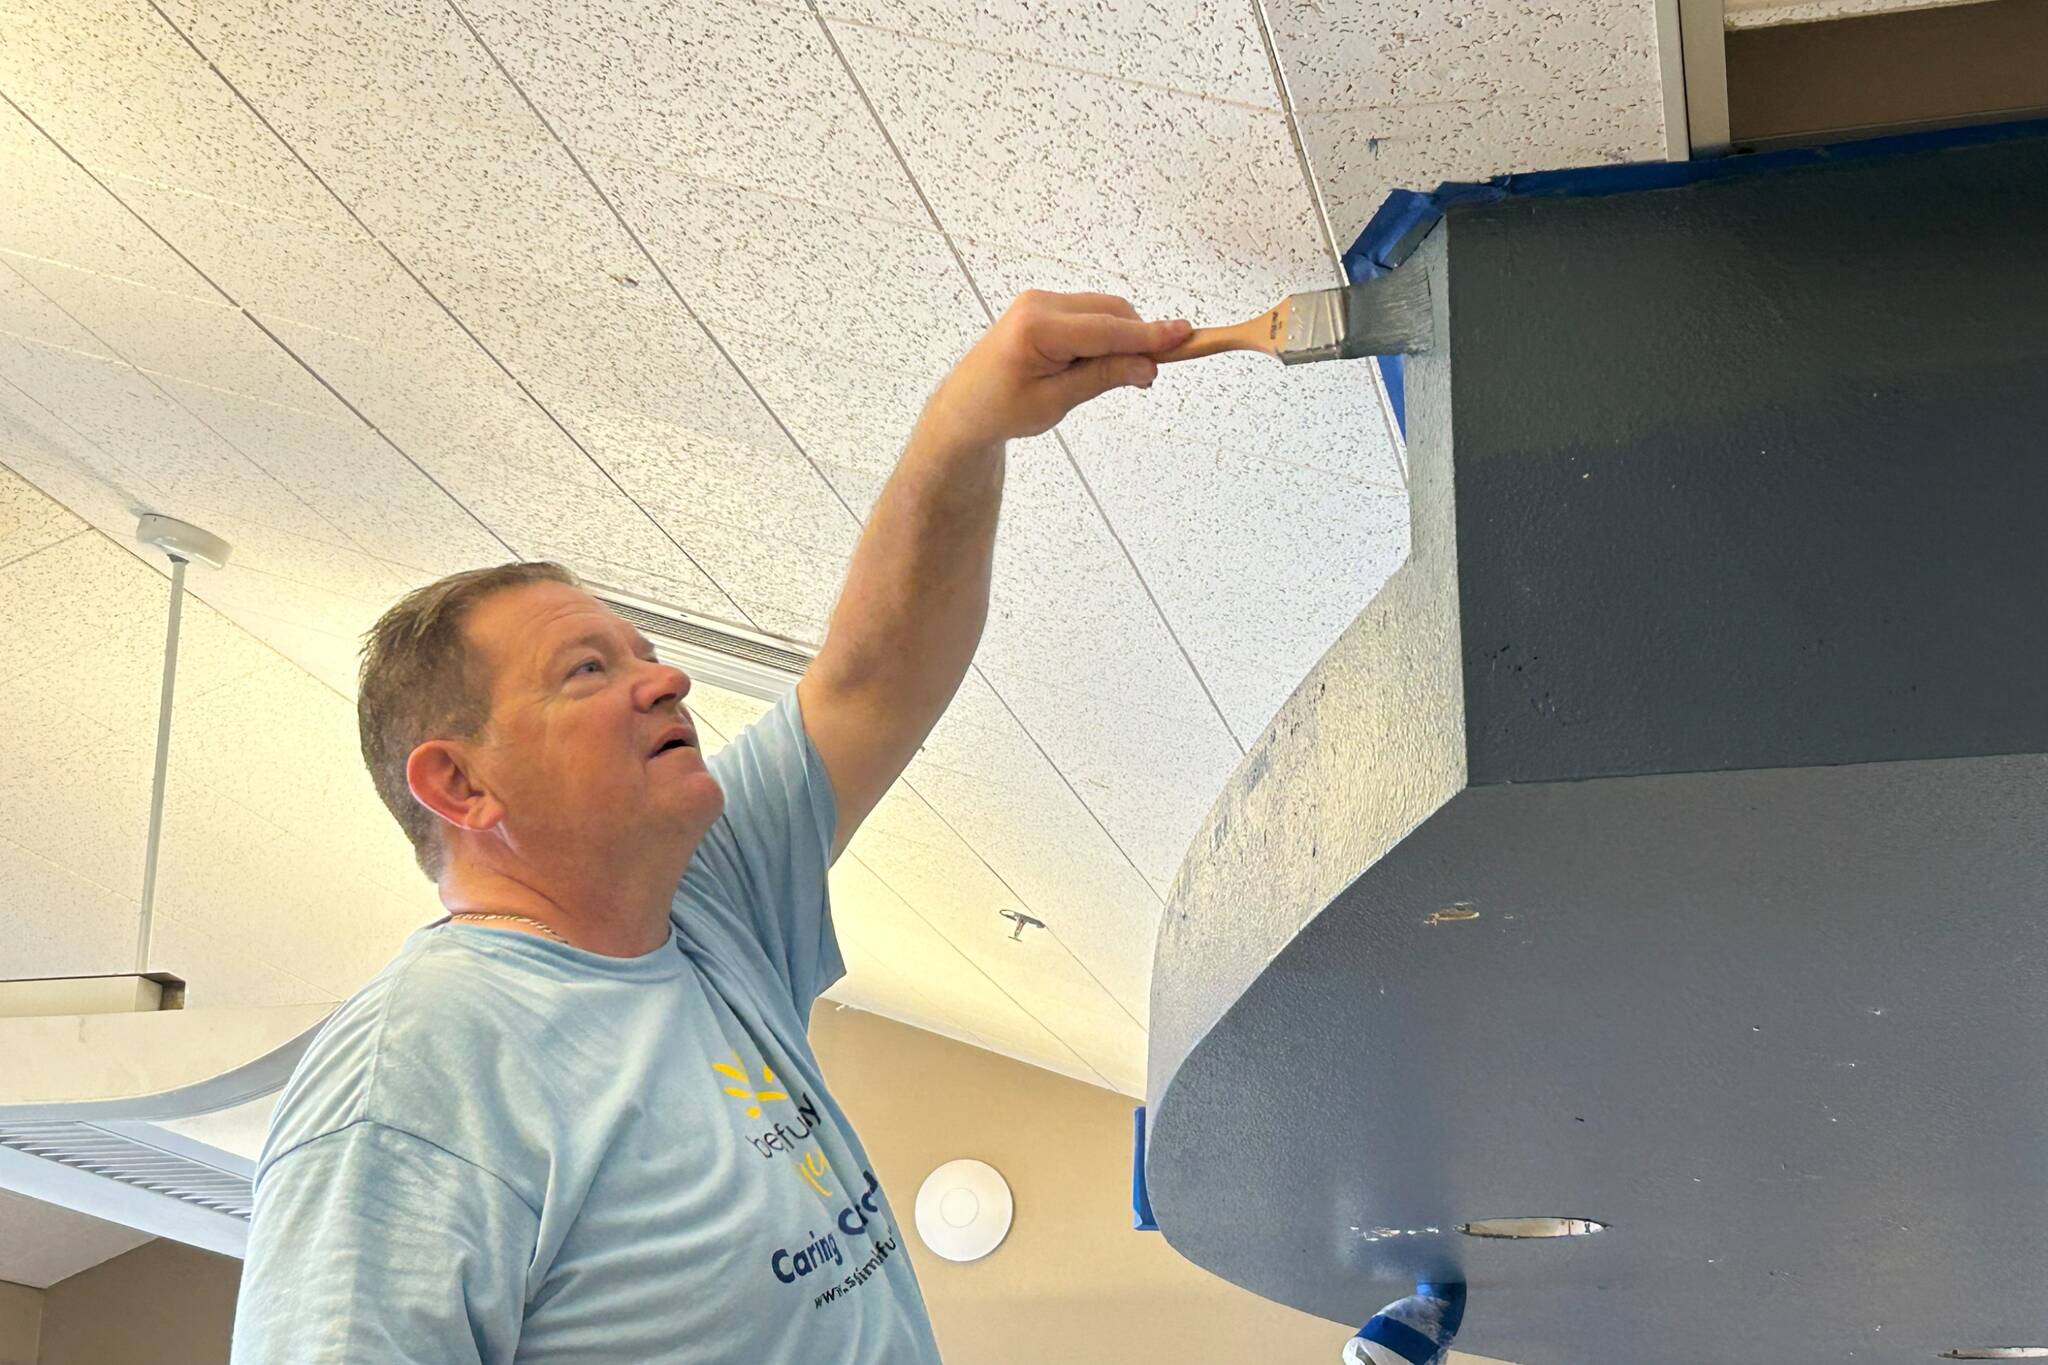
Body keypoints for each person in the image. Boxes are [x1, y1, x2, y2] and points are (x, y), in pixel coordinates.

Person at [228, 293, 1194, 1363]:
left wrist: (967, 423)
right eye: (590, 670)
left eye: (645, 654)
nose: (667, 680)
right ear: (460, 785)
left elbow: (872, 679)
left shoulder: (702, 904)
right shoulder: (417, 1071)